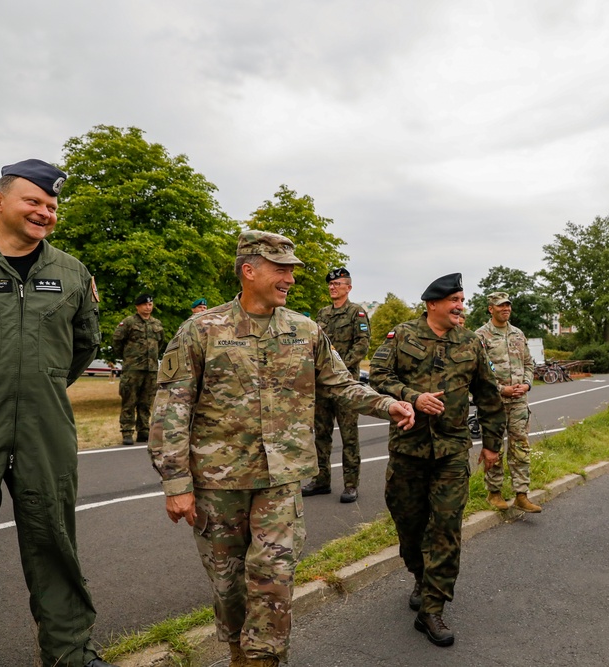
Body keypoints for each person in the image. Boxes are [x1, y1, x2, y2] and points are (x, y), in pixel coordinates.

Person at [148, 231, 414, 667]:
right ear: (249, 270)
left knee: (274, 580)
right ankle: (238, 652)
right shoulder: (202, 330)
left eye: (293, 269)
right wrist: (176, 483)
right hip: (220, 483)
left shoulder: (305, 330)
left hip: (282, 480)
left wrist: (388, 404)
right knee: (229, 583)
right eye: (281, 269)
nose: (290, 278)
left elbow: (342, 385)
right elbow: (171, 411)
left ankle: (264, 660)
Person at [0, 159, 115, 667]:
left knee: (54, 543)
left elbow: (84, 345)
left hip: (45, 426)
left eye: (51, 205)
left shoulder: (71, 273)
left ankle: (69, 654)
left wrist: (41, 384)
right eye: (33, 201)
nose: (44, 212)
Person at [370, 273, 506, 647]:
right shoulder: (402, 335)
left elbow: (489, 395)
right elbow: (377, 377)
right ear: (433, 304)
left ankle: (433, 608)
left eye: (462, 299)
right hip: (408, 451)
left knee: (447, 528)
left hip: (451, 451)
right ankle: (420, 574)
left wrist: (492, 444)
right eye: (454, 300)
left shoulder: (471, 343)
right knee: (409, 525)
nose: (460, 306)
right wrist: (411, 396)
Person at [303, 267, 371, 502]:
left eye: (338, 284)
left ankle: (351, 485)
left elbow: (362, 345)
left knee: (349, 436)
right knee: (321, 435)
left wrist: (340, 367)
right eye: (331, 284)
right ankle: (321, 480)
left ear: (348, 288)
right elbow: (314, 344)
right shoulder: (322, 314)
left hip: (345, 384)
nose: (333, 287)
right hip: (322, 384)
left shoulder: (357, 313)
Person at [475, 291, 540, 512]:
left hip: (520, 402)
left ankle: (521, 494)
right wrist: (502, 389)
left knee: (520, 447)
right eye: (501, 305)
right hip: (495, 403)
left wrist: (527, 384)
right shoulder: (481, 336)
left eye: (508, 305)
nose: (506, 309)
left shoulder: (518, 334)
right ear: (490, 308)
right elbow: (479, 373)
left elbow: (529, 364)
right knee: (494, 448)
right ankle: (494, 493)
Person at [113, 293, 166, 445]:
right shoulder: (129, 322)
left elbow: (160, 343)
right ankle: (127, 432)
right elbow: (117, 341)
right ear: (137, 306)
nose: (148, 307)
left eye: (150, 304)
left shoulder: (157, 323)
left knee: (146, 402)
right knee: (129, 400)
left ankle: (143, 431)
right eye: (144, 304)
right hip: (133, 369)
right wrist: (129, 357)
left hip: (151, 370)